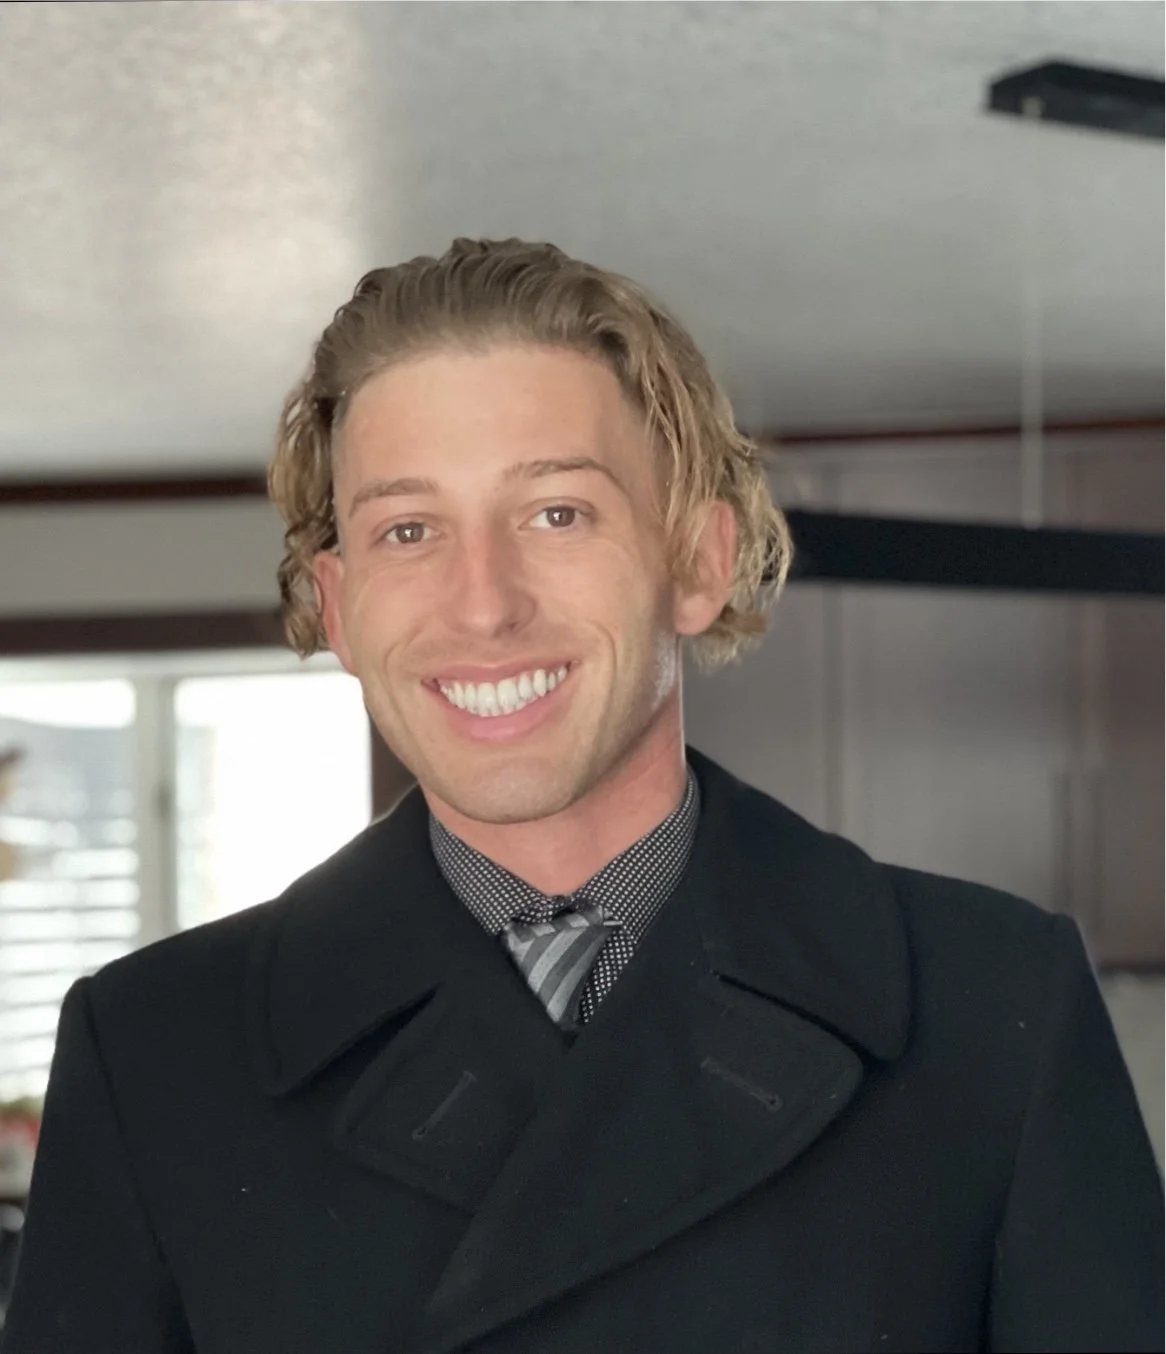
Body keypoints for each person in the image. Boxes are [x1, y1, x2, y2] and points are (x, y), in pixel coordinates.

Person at [4, 238, 1162, 1354]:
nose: (482, 604)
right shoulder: (155, 1052)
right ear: (342, 609)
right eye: (408, 529)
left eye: (556, 512)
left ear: (698, 562)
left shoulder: (995, 1005)